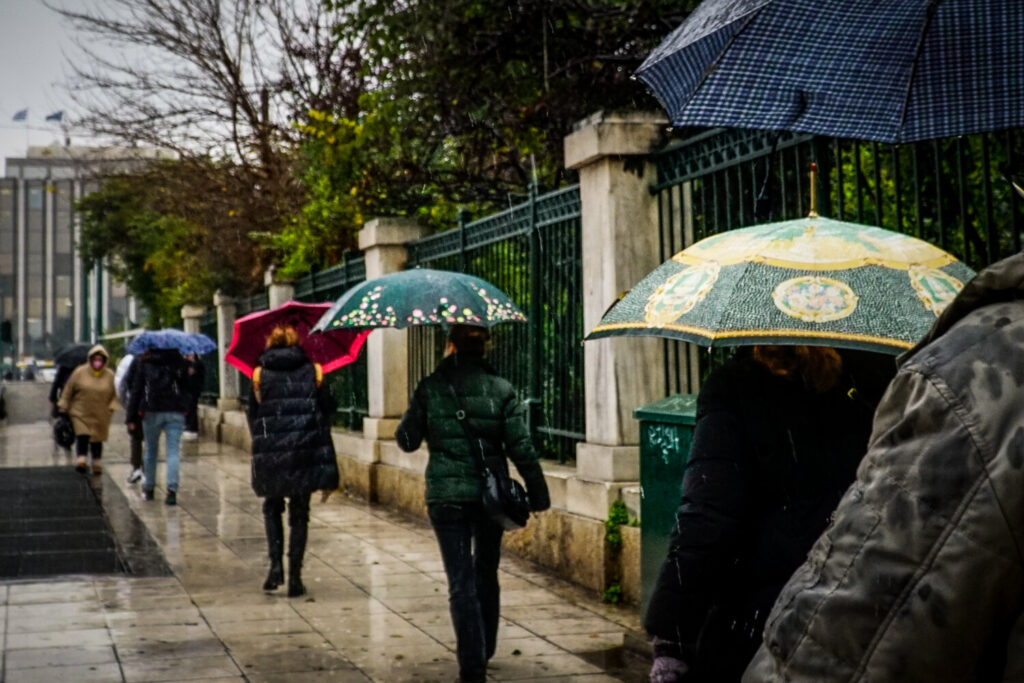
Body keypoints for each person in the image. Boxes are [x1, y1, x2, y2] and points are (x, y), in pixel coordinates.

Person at [744, 252, 1024, 682]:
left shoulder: (979, 368)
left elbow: (843, 652)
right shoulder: (875, 372)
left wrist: (669, 629)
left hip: (819, 584)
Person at [645, 345, 890, 683]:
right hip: (855, 607)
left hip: (759, 622)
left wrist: (673, 633)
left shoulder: (738, 385)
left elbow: (708, 515)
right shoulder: (878, 378)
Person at [395, 324, 551, 683]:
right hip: (488, 499)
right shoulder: (502, 389)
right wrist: (538, 496)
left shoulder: (431, 386)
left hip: (446, 498)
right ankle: (487, 645)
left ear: (451, 346)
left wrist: (420, 402)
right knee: (486, 571)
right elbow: (521, 449)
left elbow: (406, 440)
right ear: (486, 347)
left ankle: (472, 666)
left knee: (460, 581)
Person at [246, 325, 338, 597]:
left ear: (269, 343)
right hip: (304, 448)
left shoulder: (259, 374)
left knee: (272, 507)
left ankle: (275, 567)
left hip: (271, 448)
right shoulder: (313, 371)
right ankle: (295, 576)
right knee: (300, 512)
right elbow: (329, 408)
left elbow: (253, 415)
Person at [126, 348, 189, 505]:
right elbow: (187, 386)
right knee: (173, 451)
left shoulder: (144, 362)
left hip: (151, 410)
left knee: (150, 451)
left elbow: (136, 390)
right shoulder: (178, 361)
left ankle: (148, 488)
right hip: (175, 410)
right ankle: (172, 491)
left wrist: (131, 417)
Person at [57, 345, 117, 474]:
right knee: (82, 435)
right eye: (95, 359)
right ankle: (81, 460)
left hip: (100, 413)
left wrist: (111, 408)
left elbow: (114, 394)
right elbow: (68, 389)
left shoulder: (110, 375)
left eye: (100, 359)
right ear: (90, 359)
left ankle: (96, 462)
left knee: (97, 439)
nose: (97, 362)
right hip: (80, 412)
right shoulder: (79, 372)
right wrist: (63, 405)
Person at [115, 353, 144, 484]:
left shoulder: (130, 361)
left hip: (135, 406)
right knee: (149, 440)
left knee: (136, 438)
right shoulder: (158, 361)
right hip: (150, 408)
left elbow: (122, 386)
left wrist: (126, 406)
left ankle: (137, 467)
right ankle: (144, 469)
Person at [183, 353, 205, 440]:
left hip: (195, 390)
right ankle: (189, 425)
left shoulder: (198, 364)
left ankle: (192, 427)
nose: (189, 356)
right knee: (189, 407)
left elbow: (200, 376)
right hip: (188, 390)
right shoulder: (186, 364)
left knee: (192, 408)